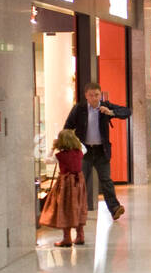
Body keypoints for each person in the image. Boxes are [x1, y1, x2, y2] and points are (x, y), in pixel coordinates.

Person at [64, 83, 130, 222]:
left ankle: (115, 208)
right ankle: (77, 210)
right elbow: (68, 127)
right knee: (81, 181)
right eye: (91, 95)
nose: (94, 98)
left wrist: (111, 112)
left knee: (106, 180)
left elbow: (127, 112)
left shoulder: (105, 107)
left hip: (101, 150)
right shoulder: (79, 109)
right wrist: (71, 144)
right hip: (84, 151)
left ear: (101, 95)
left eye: (96, 95)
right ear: (86, 96)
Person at [39, 129, 88, 247]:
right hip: (79, 183)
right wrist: (76, 140)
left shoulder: (60, 156)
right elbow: (84, 147)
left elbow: (46, 160)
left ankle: (67, 238)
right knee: (78, 206)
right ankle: (80, 235)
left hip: (66, 184)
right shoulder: (79, 152)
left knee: (64, 208)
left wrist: (52, 147)